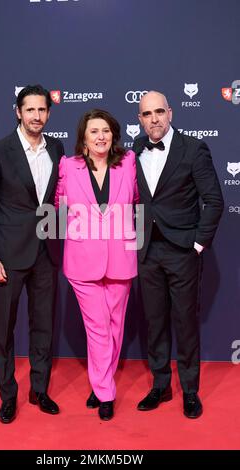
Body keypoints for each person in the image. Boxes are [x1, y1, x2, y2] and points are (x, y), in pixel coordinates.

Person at [0, 84, 65, 423]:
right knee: (4, 330)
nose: (36, 116)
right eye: (30, 110)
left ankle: (39, 390)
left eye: (42, 110)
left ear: (48, 113)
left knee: (44, 326)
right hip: (7, 257)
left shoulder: (57, 148)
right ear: (18, 112)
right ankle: (8, 395)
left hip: (46, 252)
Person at [133, 91, 224, 418]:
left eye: (159, 111)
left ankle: (189, 390)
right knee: (155, 323)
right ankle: (160, 385)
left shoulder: (193, 149)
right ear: (140, 119)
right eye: (147, 114)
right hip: (147, 252)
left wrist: (197, 244)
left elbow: (213, 200)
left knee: (185, 322)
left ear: (170, 113)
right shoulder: (134, 152)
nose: (154, 119)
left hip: (183, 251)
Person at [55, 109, 139, 421]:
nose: (100, 136)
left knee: (114, 328)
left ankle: (99, 381)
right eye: (94, 131)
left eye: (105, 130)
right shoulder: (69, 166)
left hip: (121, 258)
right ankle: (106, 392)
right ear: (84, 138)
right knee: (98, 327)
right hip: (82, 262)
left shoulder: (128, 162)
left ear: (113, 135)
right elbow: (56, 204)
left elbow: (141, 197)